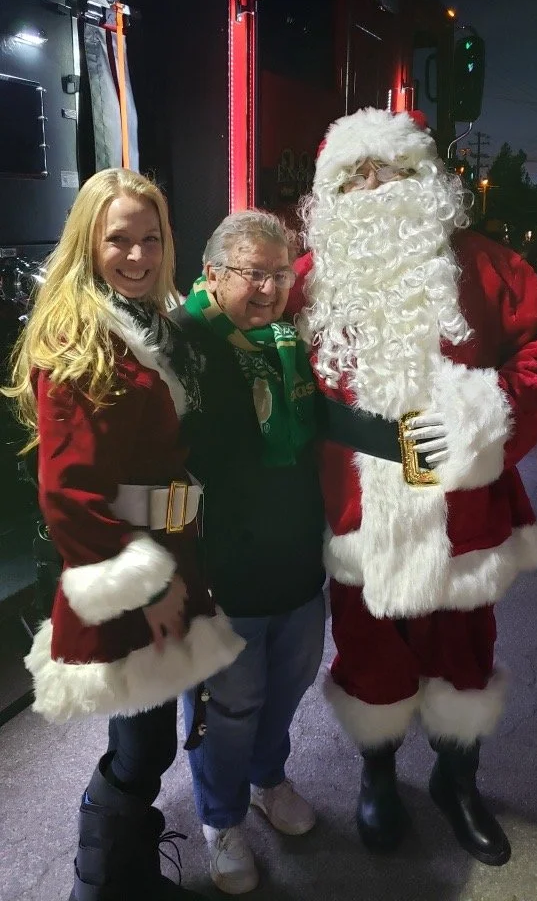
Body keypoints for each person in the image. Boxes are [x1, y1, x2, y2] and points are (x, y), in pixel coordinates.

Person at [288, 108, 537, 867]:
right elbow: (246, 338)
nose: (372, 188)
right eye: (353, 176)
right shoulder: (308, 281)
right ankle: (377, 777)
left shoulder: (487, 266)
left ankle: (456, 779)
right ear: (330, 195)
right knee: (368, 648)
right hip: (355, 506)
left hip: (461, 506)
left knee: (463, 652)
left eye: (390, 171)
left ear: (426, 181)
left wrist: (482, 417)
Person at [1, 168, 245, 901]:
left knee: (148, 738)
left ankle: (125, 875)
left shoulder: (148, 324)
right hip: (126, 565)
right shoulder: (82, 335)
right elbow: (66, 494)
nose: (137, 256)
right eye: (119, 240)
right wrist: (153, 585)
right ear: (88, 242)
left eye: (150, 238)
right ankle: (99, 886)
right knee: (140, 748)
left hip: (166, 551)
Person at [171, 209, 326, 894]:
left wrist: (418, 454)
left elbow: (330, 419)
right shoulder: (182, 344)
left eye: (280, 274)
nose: (269, 289)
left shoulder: (289, 342)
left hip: (296, 560)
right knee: (228, 707)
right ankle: (220, 816)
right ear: (212, 275)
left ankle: (268, 780)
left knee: (285, 690)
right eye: (252, 274)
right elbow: (159, 462)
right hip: (223, 571)